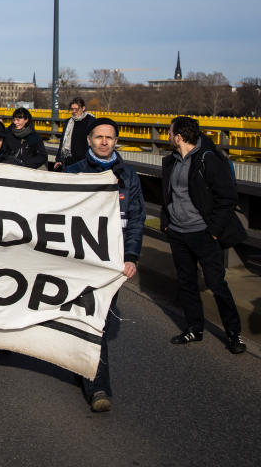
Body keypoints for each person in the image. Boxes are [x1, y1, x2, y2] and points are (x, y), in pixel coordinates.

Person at [66, 118, 144, 411]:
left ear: (116, 141)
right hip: (79, 262)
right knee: (86, 318)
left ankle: (88, 372)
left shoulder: (128, 175)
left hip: (112, 264)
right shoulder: (74, 173)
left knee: (98, 320)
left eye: (109, 138)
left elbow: (136, 220)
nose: (103, 142)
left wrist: (131, 257)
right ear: (88, 140)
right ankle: (98, 386)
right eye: (98, 137)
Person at [161, 116, 247, 354]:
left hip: (203, 234)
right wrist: (166, 223)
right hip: (178, 233)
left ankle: (234, 334)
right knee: (187, 283)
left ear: (178, 136)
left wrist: (213, 232)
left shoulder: (208, 160)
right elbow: (167, 195)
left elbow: (227, 198)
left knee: (216, 284)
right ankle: (194, 328)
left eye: (169, 133)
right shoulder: (170, 162)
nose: (168, 137)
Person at [53, 97, 95, 171]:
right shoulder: (68, 122)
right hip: (69, 161)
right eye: (72, 109)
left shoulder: (90, 121)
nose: (74, 111)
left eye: (77, 109)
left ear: (83, 108)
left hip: (84, 162)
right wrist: (58, 159)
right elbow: (62, 141)